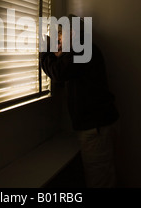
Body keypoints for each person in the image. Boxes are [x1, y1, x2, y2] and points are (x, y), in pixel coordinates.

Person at [40, 16, 119, 188]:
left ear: (71, 32)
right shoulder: (83, 49)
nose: (58, 43)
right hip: (98, 125)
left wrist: (44, 52)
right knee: (103, 177)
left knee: (100, 182)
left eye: (59, 38)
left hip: (95, 128)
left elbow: (59, 72)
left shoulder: (82, 50)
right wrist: (58, 54)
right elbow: (63, 78)